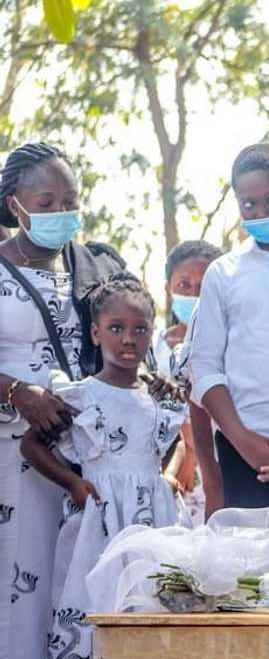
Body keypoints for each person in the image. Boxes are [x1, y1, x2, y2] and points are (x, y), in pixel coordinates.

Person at [0, 143, 175, 659]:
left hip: (91, 449)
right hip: (17, 447)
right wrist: (17, 391)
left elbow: (128, 337)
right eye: (47, 201)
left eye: (69, 200)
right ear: (16, 205)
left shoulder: (94, 264)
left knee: (84, 582)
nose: (61, 212)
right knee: (21, 577)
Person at [20, 273, 187, 659]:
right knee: (96, 602)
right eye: (116, 328)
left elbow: (175, 441)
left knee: (152, 601)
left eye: (139, 330)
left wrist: (169, 473)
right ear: (96, 334)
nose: (128, 339)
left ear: (150, 337)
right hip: (101, 522)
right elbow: (31, 446)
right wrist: (71, 483)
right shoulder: (81, 397)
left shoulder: (158, 397)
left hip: (154, 520)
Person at [188, 144, 269, 513]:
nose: (262, 212)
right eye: (248, 205)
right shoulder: (225, 273)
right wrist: (244, 440)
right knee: (253, 563)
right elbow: (204, 367)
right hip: (245, 446)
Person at [157, 240, 223, 525]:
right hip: (168, 472)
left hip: (220, 465)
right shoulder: (149, 346)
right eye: (184, 284)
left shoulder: (232, 343)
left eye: (203, 285)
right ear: (169, 288)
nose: (194, 294)